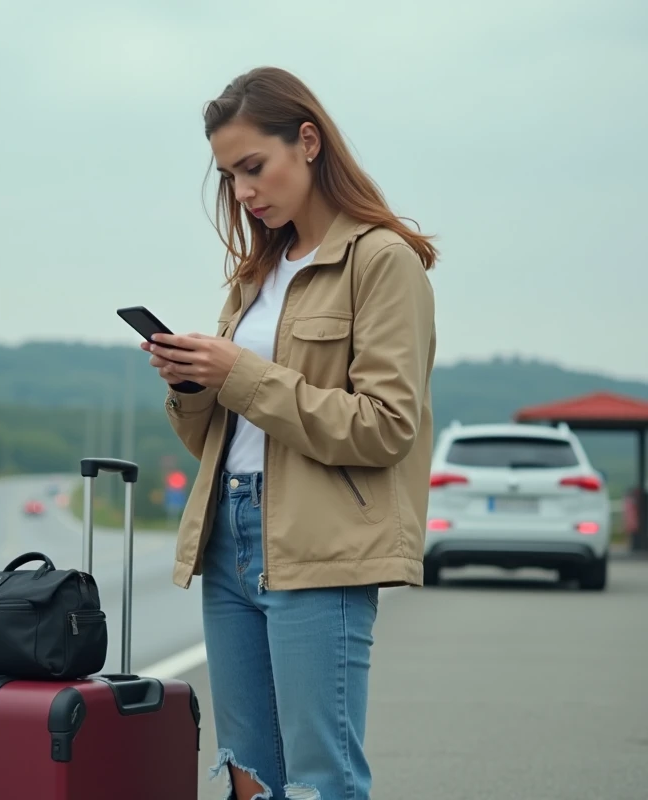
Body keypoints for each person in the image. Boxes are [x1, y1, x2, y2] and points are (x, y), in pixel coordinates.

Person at [142, 66, 438, 800]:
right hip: (230, 532)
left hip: (322, 544)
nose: (243, 191)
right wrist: (193, 384)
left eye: (253, 167)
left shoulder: (382, 260)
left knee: (319, 781)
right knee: (249, 776)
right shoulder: (256, 274)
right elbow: (215, 443)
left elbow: (385, 427)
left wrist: (240, 373)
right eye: (229, 177)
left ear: (308, 141)